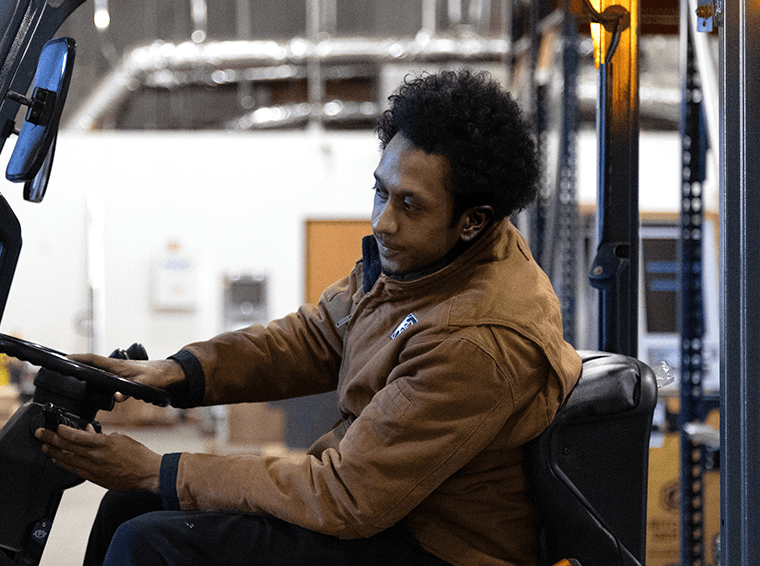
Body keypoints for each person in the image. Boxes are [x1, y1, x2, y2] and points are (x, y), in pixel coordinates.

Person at [35, 69, 583, 566]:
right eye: (380, 191)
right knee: (129, 506)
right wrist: (176, 374)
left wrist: (161, 468)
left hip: (432, 545)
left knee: (149, 542)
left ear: (472, 220)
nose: (383, 222)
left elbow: (346, 497)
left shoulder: (477, 339)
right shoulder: (423, 263)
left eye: (410, 205)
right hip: (383, 510)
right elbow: (314, 338)